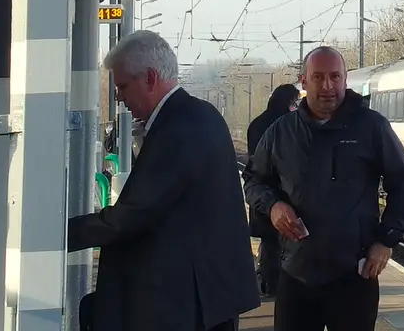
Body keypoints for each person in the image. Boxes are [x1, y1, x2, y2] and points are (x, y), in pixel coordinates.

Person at [68, 30, 260, 331]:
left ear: (149, 78)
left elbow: (136, 212)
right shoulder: (198, 115)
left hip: (189, 302)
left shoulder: (179, 128)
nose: (119, 97)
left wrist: (61, 233)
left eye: (122, 86)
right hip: (204, 292)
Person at [245, 46, 404, 331]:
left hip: (355, 274)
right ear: (303, 82)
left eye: (335, 77)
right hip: (297, 273)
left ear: (345, 79)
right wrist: (273, 206)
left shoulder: (371, 127)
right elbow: (254, 180)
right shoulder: (281, 132)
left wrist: (387, 240)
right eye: (318, 77)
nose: (328, 86)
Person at [245, 83, 301, 297]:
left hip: (263, 198)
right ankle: (278, 286)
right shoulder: (286, 126)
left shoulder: (257, 123)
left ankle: (269, 284)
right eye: (296, 102)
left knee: (270, 244)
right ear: (288, 102)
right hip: (283, 195)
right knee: (284, 245)